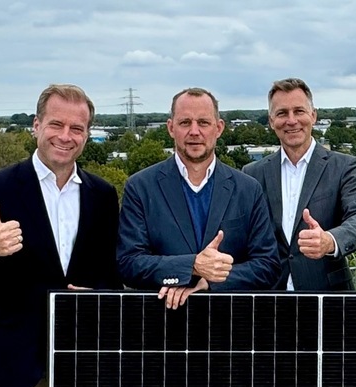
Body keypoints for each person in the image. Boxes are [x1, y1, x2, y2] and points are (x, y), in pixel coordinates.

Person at [0, 84, 122, 387]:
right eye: (56, 124)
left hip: (85, 355)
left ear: (86, 134)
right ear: (37, 125)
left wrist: (100, 293)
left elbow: (112, 273)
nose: (65, 136)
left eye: (76, 128)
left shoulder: (103, 195)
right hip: (16, 361)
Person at [117, 87, 280, 307]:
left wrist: (209, 281)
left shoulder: (248, 189)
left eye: (203, 122)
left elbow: (268, 265)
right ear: (171, 128)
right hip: (162, 323)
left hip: (230, 325)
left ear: (219, 128)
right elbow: (128, 264)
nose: (194, 131)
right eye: (185, 123)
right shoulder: (140, 187)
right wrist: (191, 267)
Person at [243, 78, 356, 291]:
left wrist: (330, 240)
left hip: (328, 297)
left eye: (299, 111)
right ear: (271, 121)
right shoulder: (253, 173)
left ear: (313, 115)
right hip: (271, 297)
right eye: (282, 113)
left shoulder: (344, 166)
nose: (291, 120)